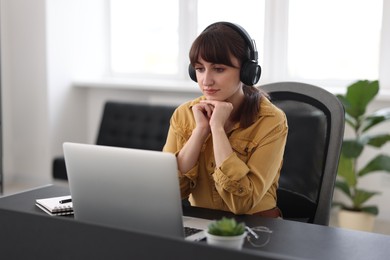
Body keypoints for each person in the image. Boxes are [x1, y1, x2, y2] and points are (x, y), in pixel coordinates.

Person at [163, 22, 288, 218]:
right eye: (200, 68)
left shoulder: (271, 121)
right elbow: (168, 192)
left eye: (219, 69)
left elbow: (242, 203)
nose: (206, 80)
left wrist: (217, 129)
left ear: (247, 72)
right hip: (201, 223)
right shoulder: (184, 114)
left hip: (257, 227)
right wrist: (200, 132)